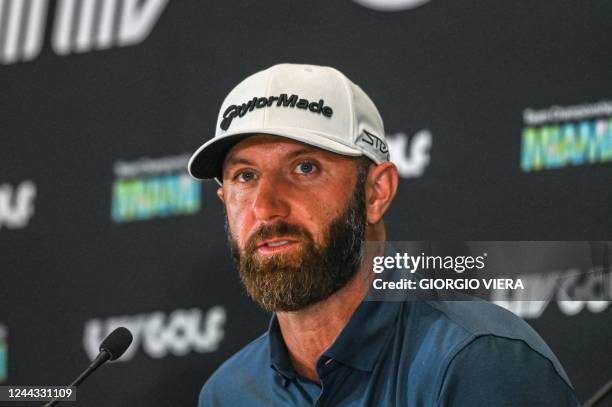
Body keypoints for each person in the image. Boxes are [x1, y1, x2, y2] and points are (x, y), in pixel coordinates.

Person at [188, 63, 579, 406]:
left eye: (304, 168)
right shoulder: (227, 394)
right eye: (245, 176)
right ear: (224, 198)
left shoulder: (476, 360)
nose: (265, 207)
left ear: (376, 192)